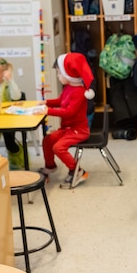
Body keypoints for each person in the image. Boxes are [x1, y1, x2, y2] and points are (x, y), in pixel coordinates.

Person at [39, 52, 94, 189]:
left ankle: (78, 171)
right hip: (67, 129)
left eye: (59, 73)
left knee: (58, 147)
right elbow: (60, 101)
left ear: (70, 74)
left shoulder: (79, 92)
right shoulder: (69, 88)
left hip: (78, 131)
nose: (58, 76)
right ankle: (50, 166)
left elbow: (69, 112)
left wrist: (48, 111)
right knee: (48, 140)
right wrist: (45, 102)